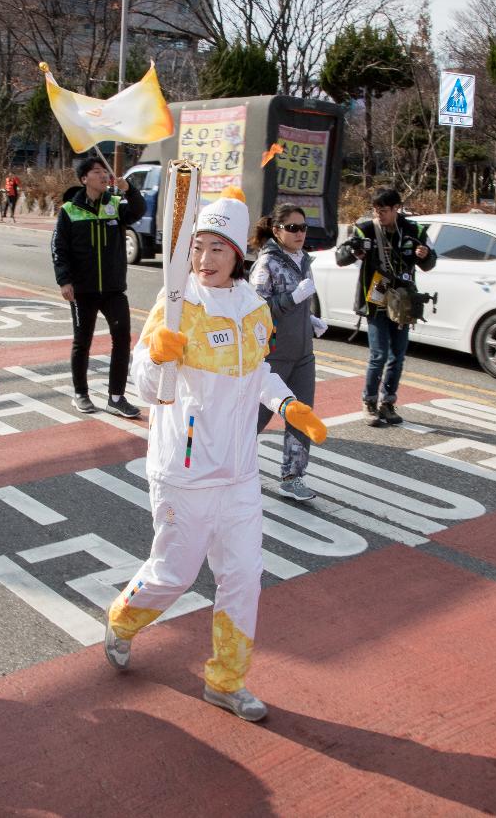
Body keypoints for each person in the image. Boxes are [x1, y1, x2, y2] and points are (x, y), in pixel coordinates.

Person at [104, 187, 328, 722]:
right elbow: (147, 387)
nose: (205, 260)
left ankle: (226, 680)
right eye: (198, 247)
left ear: (238, 256)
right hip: (184, 469)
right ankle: (123, 620)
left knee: (244, 576)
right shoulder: (176, 303)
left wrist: (288, 404)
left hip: (239, 473)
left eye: (217, 250)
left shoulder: (253, 308)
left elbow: (259, 375)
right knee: (174, 574)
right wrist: (158, 354)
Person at [51, 156, 146, 417]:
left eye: (104, 171)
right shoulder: (70, 210)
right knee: (83, 342)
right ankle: (80, 393)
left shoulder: (115, 205)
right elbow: (59, 248)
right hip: (83, 291)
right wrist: (64, 280)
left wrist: (130, 190)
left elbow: (138, 210)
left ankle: (116, 398)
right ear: (84, 179)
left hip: (114, 290)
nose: (104, 175)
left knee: (122, 339)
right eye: (96, 171)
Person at [335, 186, 434, 427]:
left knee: (397, 356)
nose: (379, 214)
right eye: (376, 209)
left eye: (385, 210)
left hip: (402, 302)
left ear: (397, 209)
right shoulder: (365, 229)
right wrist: (354, 251)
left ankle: (388, 403)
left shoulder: (414, 230)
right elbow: (340, 257)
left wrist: (425, 255)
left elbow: (430, 263)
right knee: (378, 355)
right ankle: (369, 402)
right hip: (375, 300)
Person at [249, 203, 324, 501]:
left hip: (304, 352)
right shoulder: (267, 263)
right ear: (277, 230)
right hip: (275, 354)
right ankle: (223, 463)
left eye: (303, 227)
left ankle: (293, 477)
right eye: (292, 228)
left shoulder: (304, 259)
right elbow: (256, 310)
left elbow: (298, 304)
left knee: (302, 415)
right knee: (255, 419)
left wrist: (310, 320)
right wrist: (293, 298)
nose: (299, 233)